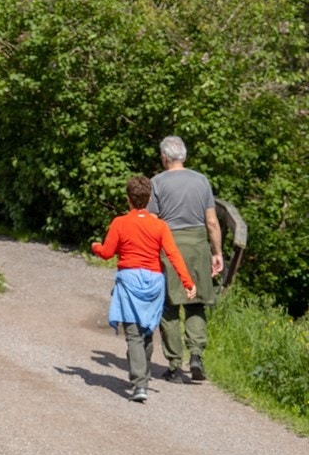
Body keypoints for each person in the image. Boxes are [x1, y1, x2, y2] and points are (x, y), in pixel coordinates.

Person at [92, 175, 195, 403]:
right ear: (148, 200)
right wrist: (188, 283)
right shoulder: (160, 225)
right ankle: (142, 373)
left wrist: (96, 247)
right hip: (154, 281)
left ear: (128, 199)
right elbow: (173, 254)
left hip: (129, 280)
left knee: (133, 334)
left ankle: (140, 383)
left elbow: (108, 252)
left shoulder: (120, 223)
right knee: (147, 330)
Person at [149, 135, 225, 383]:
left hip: (169, 246)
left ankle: (173, 364)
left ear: (164, 157)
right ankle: (196, 355)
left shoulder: (157, 183)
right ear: (184, 156)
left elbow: (152, 221)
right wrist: (217, 252)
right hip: (197, 246)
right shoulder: (201, 181)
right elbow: (212, 221)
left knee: (170, 306)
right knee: (196, 302)